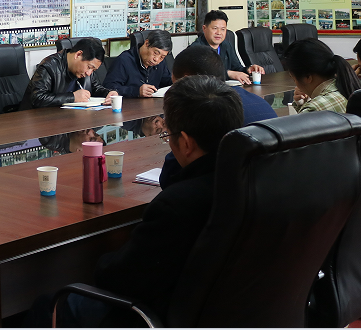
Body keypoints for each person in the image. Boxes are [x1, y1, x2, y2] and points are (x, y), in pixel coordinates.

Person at [50, 75, 244, 327]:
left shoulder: (178, 204)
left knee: (50, 304)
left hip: (158, 315)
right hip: (237, 313)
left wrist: (98, 261)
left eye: (168, 134)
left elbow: (120, 278)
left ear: (186, 143)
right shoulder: (254, 181)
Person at [159, 45, 274, 188]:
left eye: (175, 84)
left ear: (187, 80)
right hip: (270, 189)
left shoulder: (205, 110)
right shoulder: (258, 101)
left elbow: (170, 177)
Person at [18, 37, 115, 110]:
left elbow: (96, 88)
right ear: (78, 55)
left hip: (69, 119)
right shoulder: (49, 66)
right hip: (40, 121)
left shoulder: (86, 72)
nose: (89, 73)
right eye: (89, 67)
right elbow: (38, 98)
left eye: (93, 70)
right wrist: (73, 97)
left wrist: (109, 94)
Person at [282, 39, 361, 114]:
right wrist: (303, 104)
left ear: (308, 77)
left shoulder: (313, 109)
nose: (296, 85)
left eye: (294, 79)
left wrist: (308, 105)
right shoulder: (346, 88)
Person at [190, 10, 265, 85]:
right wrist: (228, 74)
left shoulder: (226, 45)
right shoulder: (195, 49)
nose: (219, 33)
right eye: (215, 28)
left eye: (223, 29)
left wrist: (249, 69)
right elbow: (201, 75)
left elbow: (237, 68)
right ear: (204, 28)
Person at [103, 29, 173, 98]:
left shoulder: (160, 63)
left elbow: (166, 82)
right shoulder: (124, 60)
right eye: (155, 53)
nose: (156, 59)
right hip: (129, 104)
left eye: (162, 57)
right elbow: (108, 87)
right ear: (147, 43)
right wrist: (136, 91)